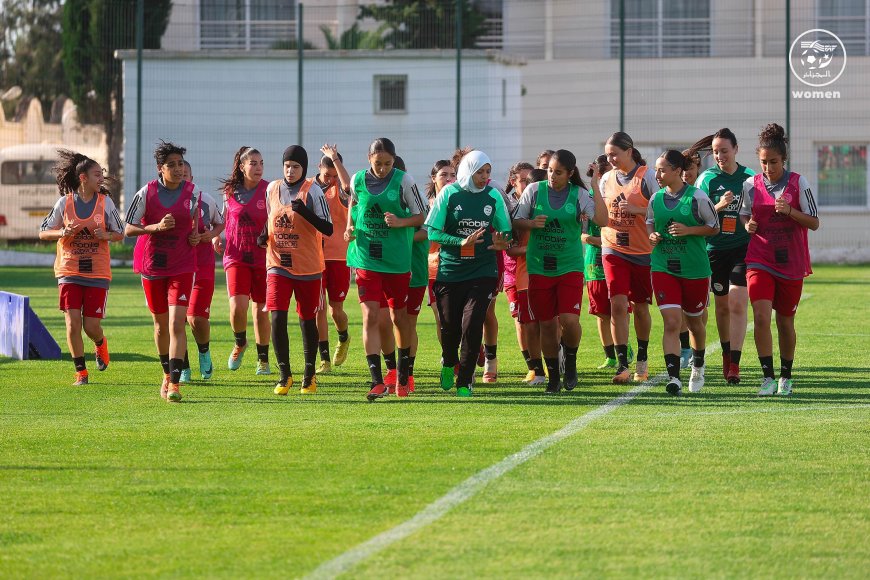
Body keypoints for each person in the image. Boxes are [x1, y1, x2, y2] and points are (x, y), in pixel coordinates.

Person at [514, 149, 607, 393]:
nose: (552, 176)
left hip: (569, 266)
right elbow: (516, 220)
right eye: (549, 171)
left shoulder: (579, 194)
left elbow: (603, 220)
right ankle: (553, 377)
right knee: (546, 324)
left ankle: (571, 360)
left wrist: (595, 185)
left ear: (570, 173)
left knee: (569, 320)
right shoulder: (534, 191)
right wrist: (531, 223)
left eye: (558, 172)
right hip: (539, 266)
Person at [739, 123, 819, 396]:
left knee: (785, 322)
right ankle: (767, 378)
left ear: (783, 159)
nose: (768, 168)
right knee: (761, 317)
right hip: (759, 259)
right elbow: (744, 215)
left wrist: (790, 211)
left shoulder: (799, 183)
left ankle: (786, 376)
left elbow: (814, 222)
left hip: (791, 263)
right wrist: (747, 225)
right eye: (763, 162)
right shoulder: (750, 184)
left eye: (773, 162)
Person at [345, 138, 427, 401]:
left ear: (394, 160)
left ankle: (403, 376)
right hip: (366, 258)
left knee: (398, 318)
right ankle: (377, 381)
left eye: (387, 163)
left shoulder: (404, 181)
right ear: (369, 158)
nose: (382, 168)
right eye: (378, 163)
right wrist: (349, 227)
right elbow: (354, 204)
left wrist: (400, 221)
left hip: (396, 261)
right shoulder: (357, 180)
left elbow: (421, 216)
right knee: (370, 317)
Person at [426, 150, 511, 397]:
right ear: (468, 171)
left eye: (487, 172)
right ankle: (448, 361)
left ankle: (465, 380)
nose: (485, 177)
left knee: (472, 325)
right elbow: (433, 232)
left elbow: (506, 231)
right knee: (450, 327)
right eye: (479, 172)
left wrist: (501, 241)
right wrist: (461, 242)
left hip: (483, 270)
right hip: (451, 270)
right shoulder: (449, 194)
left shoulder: (493, 196)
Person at [39, 150, 124, 386]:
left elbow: (121, 233)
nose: (101, 179)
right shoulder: (63, 203)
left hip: (97, 272)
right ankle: (81, 373)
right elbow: (43, 232)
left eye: (102, 174)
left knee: (91, 326)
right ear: (83, 177)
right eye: (97, 174)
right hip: (69, 270)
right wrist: (62, 232)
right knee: (72, 323)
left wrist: (105, 235)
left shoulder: (105, 203)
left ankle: (100, 343)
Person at [125, 141, 199, 402]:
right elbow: (128, 228)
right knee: (160, 327)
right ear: (160, 169)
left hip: (182, 266)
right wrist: (154, 227)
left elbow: (209, 222)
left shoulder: (193, 192)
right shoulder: (146, 193)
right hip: (153, 266)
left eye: (180, 164)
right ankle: (166, 374)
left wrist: (199, 236)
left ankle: (176, 385)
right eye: (172, 165)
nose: (178, 169)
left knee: (177, 323)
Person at [647, 150, 720, 395]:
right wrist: (653, 235)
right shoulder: (655, 199)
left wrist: (689, 230)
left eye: (662, 169)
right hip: (663, 266)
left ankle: (698, 365)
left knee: (695, 323)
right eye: (656, 169)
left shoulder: (697, 197)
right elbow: (650, 222)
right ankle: (673, 377)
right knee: (671, 322)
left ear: (678, 171)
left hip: (694, 269)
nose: (657, 174)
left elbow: (714, 227)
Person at [264, 145, 333, 395]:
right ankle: (284, 375)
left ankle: (309, 374)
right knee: (277, 316)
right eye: (287, 166)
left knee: (306, 320)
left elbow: (328, 229)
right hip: (278, 264)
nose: (290, 171)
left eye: (295, 167)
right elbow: (269, 219)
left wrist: (305, 212)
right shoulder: (272, 188)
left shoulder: (313, 191)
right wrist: (263, 236)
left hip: (308, 266)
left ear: (303, 169)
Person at [691, 129, 756, 384]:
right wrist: (718, 206)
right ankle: (726, 355)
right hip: (714, 250)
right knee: (721, 305)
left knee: (738, 302)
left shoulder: (749, 178)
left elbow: (757, 213)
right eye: (716, 151)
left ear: (736, 149)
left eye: (724, 150)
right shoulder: (707, 179)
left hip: (742, 248)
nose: (719, 156)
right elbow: (696, 215)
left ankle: (735, 365)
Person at [601, 132, 659, 384]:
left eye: (614, 153)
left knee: (641, 307)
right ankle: (622, 364)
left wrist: (638, 210)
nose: (610, 158)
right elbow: (600, 211)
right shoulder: (606, 179)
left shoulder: (647, 177)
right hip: (613, 248)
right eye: (607, 154)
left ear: (629, 151)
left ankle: (642, 360)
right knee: (617, 303)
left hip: (642, 251)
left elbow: (663, 208)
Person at [215, 146, 272, 376]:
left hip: (263, 257)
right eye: (253, 163)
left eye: (261, 163)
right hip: (236, 255)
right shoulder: (230, 191)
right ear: (242, 166)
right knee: (238, 307)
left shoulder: (270, 190)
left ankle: (263, 360)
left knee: (261, 311)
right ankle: (240, 342)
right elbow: (223, 218)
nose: (258, 168)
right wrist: (215, 238)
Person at [582, 155, 633, 370]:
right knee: (600, 312)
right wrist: (591, 238)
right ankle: (610, 355)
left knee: (619, 308)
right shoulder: (587, 198)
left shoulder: (620, 197)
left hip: (617, 258)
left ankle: (624, 347)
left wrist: (597, 240)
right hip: (594, 263)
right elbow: (582, 234)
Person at [180, 160, 224, 382]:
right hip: (176, 267)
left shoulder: (204, 200)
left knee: (196, 317)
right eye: (177, 172)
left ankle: (204, 351)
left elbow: (219, 223)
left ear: (191, 178)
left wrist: (210, 235)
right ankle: (183, 365)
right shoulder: (162, 202)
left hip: (202, 266)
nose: (181, 176)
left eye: (185, 173)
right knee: (176, 320)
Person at [503, 161, 545, 384]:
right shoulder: (515, 212)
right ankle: (535, 368)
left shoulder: (556, 205)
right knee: (525, 322)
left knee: (553, 322)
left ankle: (557, 363)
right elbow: (509, 247)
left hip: (551, 271)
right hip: (520, 274)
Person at [313, 144, 353, 374]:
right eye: (326, 174)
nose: (329, 178)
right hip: (313, 257)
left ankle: (344, 336)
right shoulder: (309, 186)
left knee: (335, 310)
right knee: (318, 308)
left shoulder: (341, 186)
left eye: (332, 174)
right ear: (319, 167)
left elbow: (349, 186)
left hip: (339, 257)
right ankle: (324, 360)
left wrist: (336, 159)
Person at [425, 160, 456, 345]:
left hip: (457, 266)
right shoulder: (426, 204)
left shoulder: (461, 204)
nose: (449, 179)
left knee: (459, 317)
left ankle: (473, 349)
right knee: (441, 318)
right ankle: (450, 359)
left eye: (452, 175)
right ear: (434, 178)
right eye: (444, 175)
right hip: (433, 268)